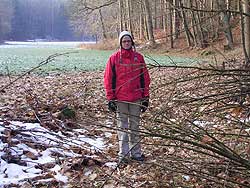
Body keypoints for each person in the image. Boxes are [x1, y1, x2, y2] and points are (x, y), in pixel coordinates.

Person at [104, 31, 150, 163]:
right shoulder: (113, 59)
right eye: (124, 41)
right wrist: (110, 98)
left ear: (132, 42)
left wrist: (145, 97)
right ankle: (123, 155)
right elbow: (108, 79)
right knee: (122, 128)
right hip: (120, 99)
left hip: (136, 98)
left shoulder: (139, 58)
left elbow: (144, 78)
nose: (126, 43)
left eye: (128, 41)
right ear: (120, 43)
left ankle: (136, 153)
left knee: (135, 127)